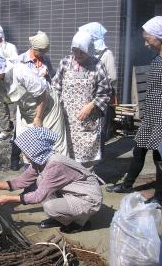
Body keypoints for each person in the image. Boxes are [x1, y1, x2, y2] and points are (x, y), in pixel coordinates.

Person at [0, 127, 102, 233]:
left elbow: (39, 196)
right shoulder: (40, 161)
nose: (23, 153)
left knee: (50, 207)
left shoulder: (55, 165)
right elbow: (21, 181)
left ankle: (79, 223)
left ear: (35, 149)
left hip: (88, 199)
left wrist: (8, 198)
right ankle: (62, 217)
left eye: (25, 150)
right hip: (73, 193)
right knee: (40, 181)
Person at [106, 16, 162, 205]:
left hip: (161, 118)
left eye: (148, 39)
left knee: (158, 157)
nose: (146, 44)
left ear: (159, 36)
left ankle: (159, 197)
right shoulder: (157, 58)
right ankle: (128, 184)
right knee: (139, 151)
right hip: (151, 116)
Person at [0, 48, 47, 164]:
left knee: (50, 150)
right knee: (28, 152)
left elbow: (43, 94)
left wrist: (38, 117)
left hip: (46, 107)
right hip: (25, 112)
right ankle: (31, 179)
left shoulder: (19, 71)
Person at [52, 31, 112, 168]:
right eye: (75, 51)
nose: (78, 55)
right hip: (66, 117)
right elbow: (56, 87)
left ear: (89, 50)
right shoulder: (65, 62)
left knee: (86, 155)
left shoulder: (98, 65)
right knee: (65, 153)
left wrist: (91, 106)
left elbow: (105, 92)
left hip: (87, 118)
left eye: (82, 52)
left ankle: (86, 181)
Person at [16, 31, 69, 160]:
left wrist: (47, 76)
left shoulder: (45, 59)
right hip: (29, 104)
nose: (44, 53)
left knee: (51, 138)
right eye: (42, 50)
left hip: (46, 101)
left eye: (45, 50)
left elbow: (51, 81)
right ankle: (27, 167)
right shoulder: (21, 60)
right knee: (28, 139)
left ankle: (55, 167)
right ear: (34, 48)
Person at [79, 22, 118, 156]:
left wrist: (98, 82)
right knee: (88, 125)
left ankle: (98, 155)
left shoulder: (106, 54)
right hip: (86, 96)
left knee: (99, 127)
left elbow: (112, 77)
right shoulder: (86, 53)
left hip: (100, 97)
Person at [0, 23, 18, 141]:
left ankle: (17, 133)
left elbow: (16, 62)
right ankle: (4, 131)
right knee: (1, 108)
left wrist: (3, 61)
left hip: (9, 83)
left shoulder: (10, 47)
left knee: (13, 108)